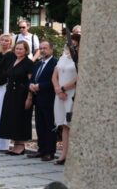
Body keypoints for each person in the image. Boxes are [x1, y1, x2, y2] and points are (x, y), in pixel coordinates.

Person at [0, 40, 35, 155]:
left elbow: (31, 81)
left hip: (22, 94)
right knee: (11, 119)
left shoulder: (29, 63)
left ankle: (21, 145)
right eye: (17, 48)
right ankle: (15, 144)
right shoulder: (13, 61)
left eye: (21, 49)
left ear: (26, 50)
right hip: (10, 94)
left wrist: (29, 98)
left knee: (20, 119)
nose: (18, 51)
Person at [28, 40, 58, 161]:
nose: (42, 50)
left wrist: (40, 86)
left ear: (51, 49)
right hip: (37, 98)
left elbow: (54, 81)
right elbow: (32, 78)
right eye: (40, 48)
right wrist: (30, 85)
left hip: (49, 98)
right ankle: (41, 149)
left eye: (45, 48)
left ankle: (50, 152)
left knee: (49, 125)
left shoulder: (55, 63)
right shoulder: (38, 64)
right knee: (40, 125)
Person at [52, 32, 79, 165]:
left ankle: (71, 155)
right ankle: (63, 154)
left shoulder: (78, 59)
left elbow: (78, 78)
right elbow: (54, 76)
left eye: (74, 42)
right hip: (60, 95)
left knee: (70, 124)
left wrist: (63, 89)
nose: (70, 44)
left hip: (71, 94)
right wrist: (58, 89)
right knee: (63, 125)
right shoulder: (62, 58)